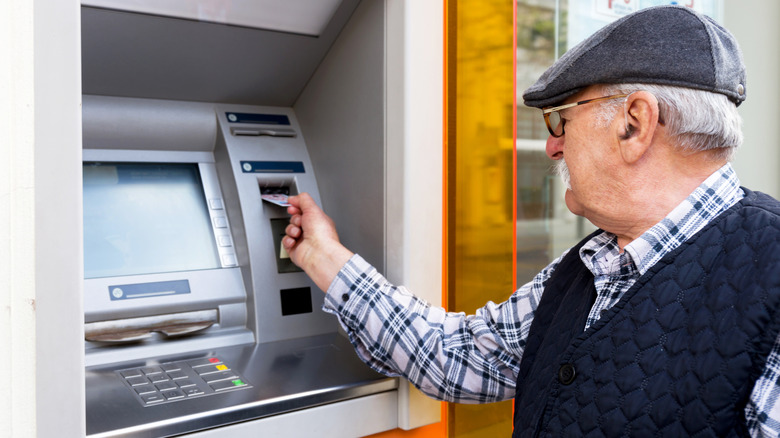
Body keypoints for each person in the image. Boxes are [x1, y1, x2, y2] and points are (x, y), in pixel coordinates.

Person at [283, 5, 780, 437]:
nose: (552, 144)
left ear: (635, 123)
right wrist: (323, 254)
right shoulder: (594, 263)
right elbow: (458, 356)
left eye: (562, 119)